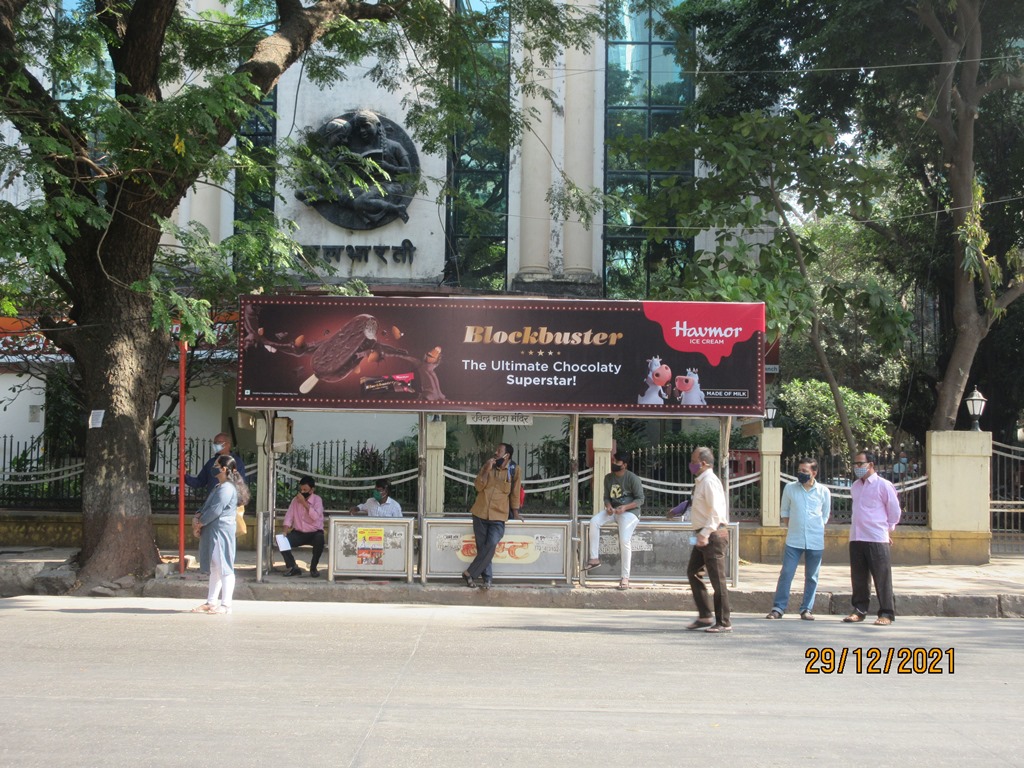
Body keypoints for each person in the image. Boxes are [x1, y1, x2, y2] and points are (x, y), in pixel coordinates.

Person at [766, 457, 831, 621]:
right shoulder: (790, 488)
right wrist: (795, 527)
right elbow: (785, 513)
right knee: (787, 573)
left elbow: (825, 515)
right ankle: (778, 608)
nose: (800, 473)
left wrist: (814, 528)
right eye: (799, 470)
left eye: (805, 471)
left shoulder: (823, 491)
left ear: (814, 473)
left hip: (815, 540)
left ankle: (806, 609)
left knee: (812, 576)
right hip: (794, 540)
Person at [845, 450, 902, 625]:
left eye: (860, 463)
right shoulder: (855, 486)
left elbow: (894, 511)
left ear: (871, 465)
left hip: (876, 537)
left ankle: (886, 613)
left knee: (882, 577)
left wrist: (888, 530)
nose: (857, 467)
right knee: (859, 577)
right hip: (857, 537)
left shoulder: (883, 485)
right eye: (855, 464)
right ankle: (859, 610)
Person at [190, 455, 249, 615]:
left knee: (224, 567)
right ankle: (211, 602)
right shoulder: (219, 486)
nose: (213, 467)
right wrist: (197, 517)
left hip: (220, 532)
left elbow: (215, 510)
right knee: (215, 567)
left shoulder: (227, 488)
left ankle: (226, 605)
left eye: (216, 465)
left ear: (224, 469)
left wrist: (200, 523)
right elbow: (206, 507)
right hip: (214, 530)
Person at [185, 432, 247, 577]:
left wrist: (200, 521)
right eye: (215, 442)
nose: (215, 469)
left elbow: (240, 486)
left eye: (220, 442)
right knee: (213, 558)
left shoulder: (228, 484)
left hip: (225, 513)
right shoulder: (214, 474)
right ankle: (212, 589)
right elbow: (200, 482)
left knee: (223, 556)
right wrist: (184, 477)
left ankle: (224, 595)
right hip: (212, 513)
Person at [685, 446, 732, 633]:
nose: (691, 465)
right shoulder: (701, 481)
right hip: (704, 534)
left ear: (703, 463)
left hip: (712, 535)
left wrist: (704, 534)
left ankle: (724, 621)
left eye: (694, 461)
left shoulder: (709, 481)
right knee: (693, 572)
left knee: (717, 580)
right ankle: (705, 615)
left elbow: (716, 512)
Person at [582, 450, 645, 590]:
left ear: (625, 465)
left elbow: (640, 499)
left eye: (617, 462)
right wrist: (609, 506)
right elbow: (606, 497)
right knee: (594, 521)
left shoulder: (632, 478)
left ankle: (625, 577)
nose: (614, 464)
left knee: (624, 540)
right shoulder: (608, 478)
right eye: (614, 461)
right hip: (613, 510)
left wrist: (625, 507)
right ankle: (594, 559)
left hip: (630, 513)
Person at [463, 443, 522, 590]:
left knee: (491, 545)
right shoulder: (488, 466)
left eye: (499, 451)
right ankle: (487, 580)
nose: (495, 453)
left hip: (498, 515)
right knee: (483, 548)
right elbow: (478, 486)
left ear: (506, 455)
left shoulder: (514, 470)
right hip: (480, 513)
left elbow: (515, 492)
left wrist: (516, 513)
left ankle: (470, 572)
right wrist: (485, 470)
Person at [280, 476, 325, 578]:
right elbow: (289, 517)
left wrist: (304, 503)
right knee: (282, 541)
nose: (302, 491)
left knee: (320, 539)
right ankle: (293, 567)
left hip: (314, 532)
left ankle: (313, 568)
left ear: (312, 490)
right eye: (301, 489)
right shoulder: (295, 501)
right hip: (299, 532)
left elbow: (315, 517)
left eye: (305, 490)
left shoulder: (317, 500)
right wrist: (285, 531)